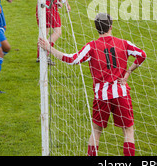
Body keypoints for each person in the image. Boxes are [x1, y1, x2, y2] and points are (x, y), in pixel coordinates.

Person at [38, 13, 146, 156]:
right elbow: (142, 55)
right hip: (121, 94)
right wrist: (128, 72)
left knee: (96, 130)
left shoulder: (92, 47)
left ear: (97, 29)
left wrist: (49, 48)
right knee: (128, 130)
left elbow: (72, 59)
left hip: (101, 96)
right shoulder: (124, 43)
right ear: (111, 26)